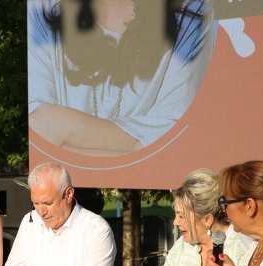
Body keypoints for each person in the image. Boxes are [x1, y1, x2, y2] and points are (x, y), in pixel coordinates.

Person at [28, 0, 215, 156]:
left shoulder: (194, 12)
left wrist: (64, 127)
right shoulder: (43, 7)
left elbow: (172, 137)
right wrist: (134, 146)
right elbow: (38, 127)